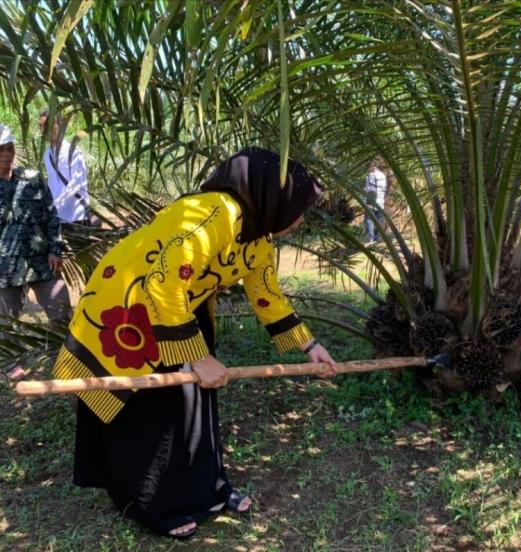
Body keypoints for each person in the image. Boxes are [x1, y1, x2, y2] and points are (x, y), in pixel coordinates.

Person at [51, 146, 337, 540]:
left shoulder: (258, 238)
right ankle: (151, 504)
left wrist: (310, 347)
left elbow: (267, 294)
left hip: (178, 311)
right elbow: (163, 283)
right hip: (128, 306)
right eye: (298, 207)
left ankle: (210, 491)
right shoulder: (214, 213)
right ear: (273, 195)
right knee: (151, 413)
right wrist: (199, 358)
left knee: (194, 406)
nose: (300, 218)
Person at [0, 123, 70, 381]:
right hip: (5, 269)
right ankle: (11, 364)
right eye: (1, 150)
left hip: (41, 262)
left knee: (61, 308)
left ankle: (65, 354)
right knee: (5, 321)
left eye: (9, 148)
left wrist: (56, 249)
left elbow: (51, 215)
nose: (6, 154)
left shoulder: (31, 179)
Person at [38, 111, 91, 226]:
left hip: (76, 216)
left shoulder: (73, 152)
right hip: (57, 218)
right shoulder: (47, 155)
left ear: (59, 125)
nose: (45, 130)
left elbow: (76, 184)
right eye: (41, 126)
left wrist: (54, 206)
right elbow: (52, 184)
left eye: (49, 125)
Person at [364, 160, 387, 244]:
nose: (368, 170)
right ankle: (378, 238)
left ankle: (371, 239)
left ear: (372, 167)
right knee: (379, 219)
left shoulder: (371, 175)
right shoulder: (383, 175)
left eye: (368, 168)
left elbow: (372, 190)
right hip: (381, 201)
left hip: (372, 200)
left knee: (369, 219)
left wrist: (369, 202)